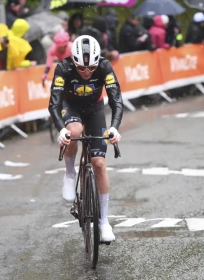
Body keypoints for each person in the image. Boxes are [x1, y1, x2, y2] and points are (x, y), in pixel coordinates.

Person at [48, 35, 123, 242]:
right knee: (75, 131)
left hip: (95, 108)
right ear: (73, 61)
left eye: (91, 68)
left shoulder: (105, 67)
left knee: (98, 163)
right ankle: (70, 173)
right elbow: (53, 104)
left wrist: (114, 128)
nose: (87, 72)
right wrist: (61, 129)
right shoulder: (63, 68)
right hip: (69, 106)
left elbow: (116, 100)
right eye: (81, 68)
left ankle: (104, 221)